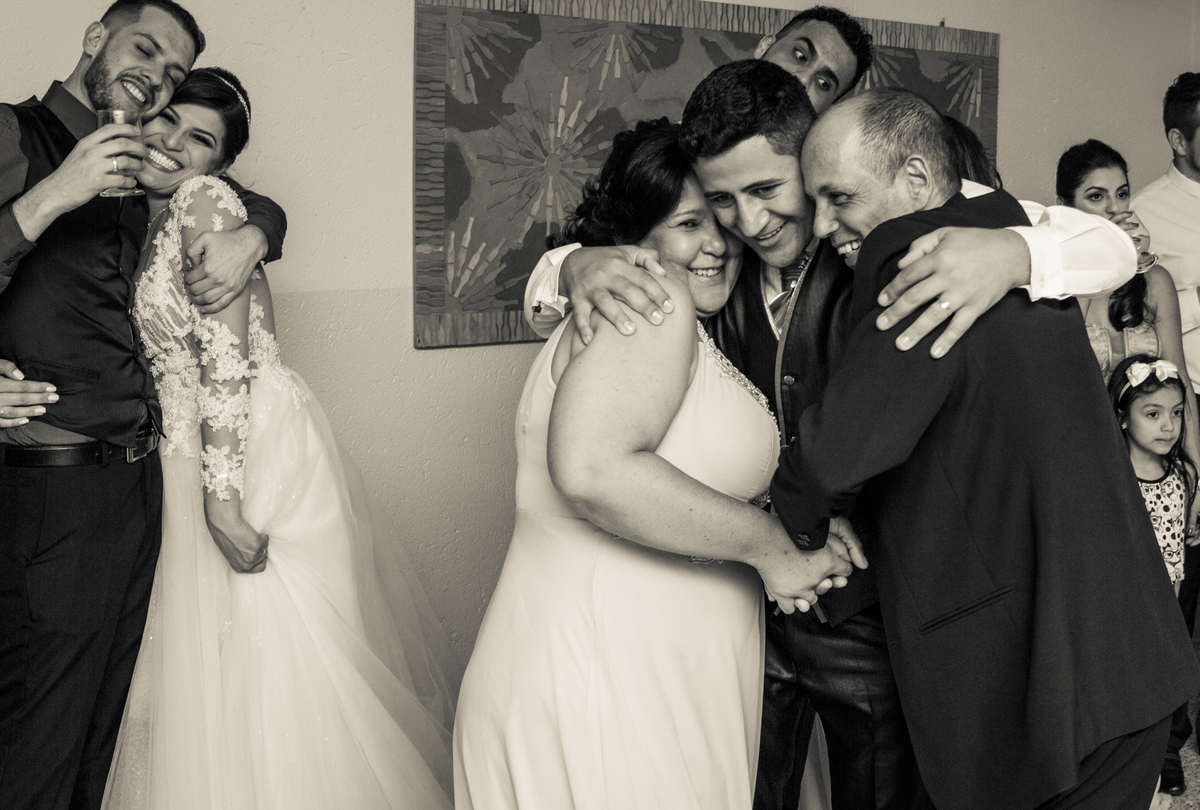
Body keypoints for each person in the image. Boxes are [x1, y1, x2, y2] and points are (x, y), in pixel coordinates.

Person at [531, 57, 1141, 809]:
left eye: (767, 191)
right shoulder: (713, 270)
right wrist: (570, 264)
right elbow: (614, 277)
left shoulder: (887, 236)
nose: (747, 222)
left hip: (870, 613)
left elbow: (1103, 244)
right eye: (721, 202)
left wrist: (1018, 252)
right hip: (747, 603)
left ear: (811, 160)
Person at [769, 85, 1200, 810]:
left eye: (838, 197)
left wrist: (797, 520)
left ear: (915, 179)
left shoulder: (918, 261)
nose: (821, 224)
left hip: (1052, 695)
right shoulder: (1014, 240)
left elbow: (830, 457)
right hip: (1123, 661)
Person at [454, 118, 865, 810]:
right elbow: (593, 471)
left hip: (628, 672)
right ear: (634, 239)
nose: (718, 243)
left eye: (720, 221)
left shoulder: (654, 313)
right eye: (687, 224)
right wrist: (770, 548)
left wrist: (799, 525)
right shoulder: (651, 303)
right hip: (610, 688)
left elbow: (678, 472)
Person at [100, 68, 455, 809]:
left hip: (242, 449)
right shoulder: (139, 214)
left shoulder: (204, 202)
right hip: (189, 446)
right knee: (216, 668)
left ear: (222, 164)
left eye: (200, 139)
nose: (172, 142)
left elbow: (225, 361)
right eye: (168, 119)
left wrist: (223, 502)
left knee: (272, 660)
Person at [0, 4, 287, 809]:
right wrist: (57, 192)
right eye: (145, 49)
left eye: (172, 72)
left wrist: (258, 229)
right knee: (38, 738)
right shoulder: (15, 134)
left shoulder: (146, 170)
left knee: (107, 730)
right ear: (95, 37)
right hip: (52, 483)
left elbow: (227, 197)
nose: (155, 77)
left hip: (140, 484)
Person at [1056, 139, 1200, 480]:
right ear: (1065, 207)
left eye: (1121, 194)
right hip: (1078, 460)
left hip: (1152, 464)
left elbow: (1179, 376)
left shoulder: (1153, 280)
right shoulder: (1055, 280)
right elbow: (1059, 372)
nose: (1114, 209)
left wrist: (1196, 470)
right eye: (1096, 197)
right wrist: (1108, 260)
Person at [1133, 72, 1200, 798]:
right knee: (1175, 592)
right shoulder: (1147, 216)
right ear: (1179, 138)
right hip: (1179, 412)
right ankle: (1167, 741)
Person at [1109, 355, 1197, 593]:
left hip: (1168, 603)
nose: (1169, 426)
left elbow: (1176, 553)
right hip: (1121, 597)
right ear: (1122, 417)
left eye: (1176, 412)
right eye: (1153, 414)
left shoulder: (1183, 473)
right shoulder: (1111, 479)